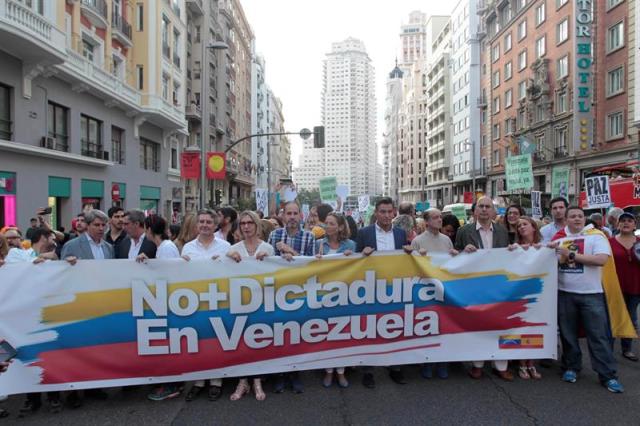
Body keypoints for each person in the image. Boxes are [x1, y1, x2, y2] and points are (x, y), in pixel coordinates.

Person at [549, 206, 624, 393]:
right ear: (566, 220)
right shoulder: (558, 238)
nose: (577, 219)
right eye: (572, 216)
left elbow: (601, 260)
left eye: (580, 216)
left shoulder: (596, 236)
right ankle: (571, 367)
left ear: (585, 218)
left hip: (592, 294)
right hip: (565, 293)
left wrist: (571, 255)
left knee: (598, 336)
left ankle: (608, 375)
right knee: (568, 335)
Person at [454, 196, 512, 381]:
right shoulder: (464, 231)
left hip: (498, 285)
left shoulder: (503, 231)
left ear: (493, 211)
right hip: (475, 286)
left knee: (500, 324)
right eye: (481, 206)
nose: (485, 210)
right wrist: (463, 251)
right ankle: (477, 365)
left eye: (488, 207)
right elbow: (454, 256)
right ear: (475, 211)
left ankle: (501, 366)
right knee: (478, 325)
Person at [60, 209, 113, 407]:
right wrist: (66, 264)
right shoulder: (72, 245)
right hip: (78, 304)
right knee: (76, 348)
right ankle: (72, 392)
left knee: (96, 347)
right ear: (87, 226)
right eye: (97, 225)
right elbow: (61, 273)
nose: (101, 229)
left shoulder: (108, 248)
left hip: (100, 304)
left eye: (103, 225)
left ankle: (93, 387)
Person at [356, 197, 407, 388]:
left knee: (395, 327)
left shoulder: (401, 234)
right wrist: (362, 254)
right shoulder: (364, 233)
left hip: (395, 288)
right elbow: (353, 261)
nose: (386, 215)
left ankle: (395, 368)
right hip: (371, 288)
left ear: (394, 213)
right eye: (382, 211)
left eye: (389, 212)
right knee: (370, 329)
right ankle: (368, 370)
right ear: (376, 213)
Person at [181, 209, 231, 401]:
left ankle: (216, 381)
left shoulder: (225, 246)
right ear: (196, 225)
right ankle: (199, 381)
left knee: (217, 340)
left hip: (219, 300)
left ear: (215, 225)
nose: (204, 225)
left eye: (209, 222)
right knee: (198, 341)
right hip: (195, 302)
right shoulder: (187, 248)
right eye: (201, 221)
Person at [266, 202, 314, 393]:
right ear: (283, 216)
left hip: (300, 292)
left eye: (295, 213)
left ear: (300, 216)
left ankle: (295, 372)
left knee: (297, 333)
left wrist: (291, 252)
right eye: (289, 213)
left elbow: (311, 265)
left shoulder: (309, 237)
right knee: (279, 333)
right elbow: (267, 264)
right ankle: (279, 373)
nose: (292, 217)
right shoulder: (274, 235)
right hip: (277, 292)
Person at [226, 211, 274, 401]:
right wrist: (228, 256)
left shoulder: (268, 248)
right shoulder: (234, 248)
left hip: (262, 301)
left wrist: (269, 260)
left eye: (249, 223)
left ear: (256, 225)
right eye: (243, 223)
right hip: (240, 302)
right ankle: (243, 380)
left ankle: (257, 380)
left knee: (258, 340)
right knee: (241, 341)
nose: (246, 227)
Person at [408, 208, 458, 380]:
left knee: (444, 326)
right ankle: (428, 362)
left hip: (444, 288)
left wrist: (454, 255)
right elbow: (411, 265)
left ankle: (442, 362)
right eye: (435, 217)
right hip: (425, 290)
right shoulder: (417, 241)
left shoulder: (446, 240)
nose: (439, 220)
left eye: (440, 217)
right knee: (428, 327)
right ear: (427, 222)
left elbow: (452, 264)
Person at [137, 215, 182, 401]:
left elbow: (169, 275)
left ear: (149, 229)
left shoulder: (167, 248)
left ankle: (171, 384)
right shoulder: (162, 248)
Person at [315, 212, 355, 388]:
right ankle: (328, 371)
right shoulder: (318, 244)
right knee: (326, 333)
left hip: (344, 295)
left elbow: (357, 268)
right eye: (326, 223)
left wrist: (351, 258)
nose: (327, 226)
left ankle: (341, 371)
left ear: (340, 227)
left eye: (331, 223)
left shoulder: (351, 245)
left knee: (342, 334)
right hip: (323, 295)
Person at [508, 217, 543, 380]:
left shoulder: (545, 245)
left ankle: (532, 363)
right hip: (520, 293)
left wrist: (545, 249)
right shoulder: (515, 247)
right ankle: (522, 364)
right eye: (519, 225)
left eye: (525, 224)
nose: (521, 227)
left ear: (534, 227)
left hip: (540, 293)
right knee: (522, 327)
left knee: (537, 327)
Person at [609, 212, 640, 361]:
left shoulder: (639, 242)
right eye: (623, 221)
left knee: (630, 317)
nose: (626, 223)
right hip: (614, 286)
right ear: (617, 224)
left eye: (629, 220)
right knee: (612, 317)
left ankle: (627, 348)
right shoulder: (609, 242)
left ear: (635, 225)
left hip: (635, 286)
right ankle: (608, 347)